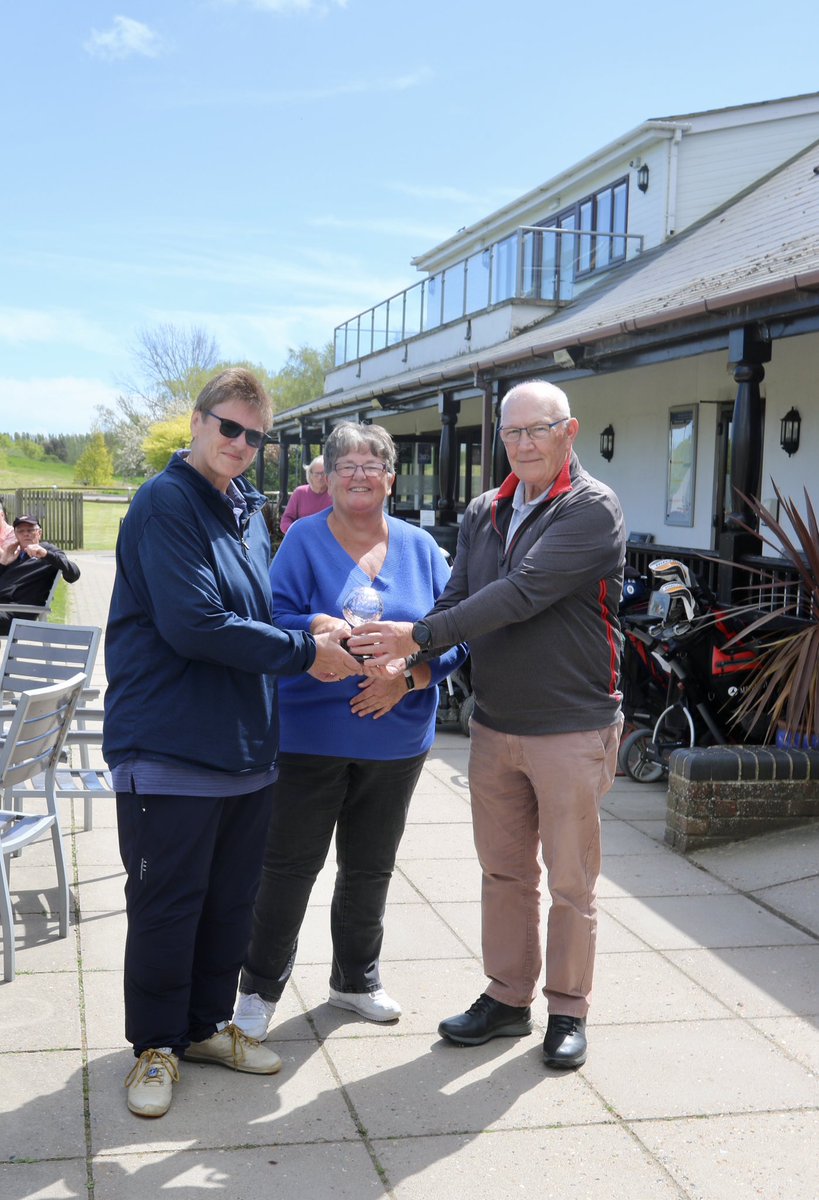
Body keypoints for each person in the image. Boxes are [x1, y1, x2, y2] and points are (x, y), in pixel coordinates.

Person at [103, 368, 361, 1120]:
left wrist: (305, 626)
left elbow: (254, 607)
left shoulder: (244, 509)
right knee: (166, 908)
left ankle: (207, 1027)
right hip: (171, 748)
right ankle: (155, 1046)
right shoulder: (165, 504)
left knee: (229, 906)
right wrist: (303, 653)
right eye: (229, 427)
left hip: (246, 752)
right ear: (197, 422)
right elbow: (194, 624)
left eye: (254, 434)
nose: (240, 444)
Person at [349, 380, 625, 1070]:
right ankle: (507, 998)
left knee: (570, 880)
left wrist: (414, 634)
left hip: (570, 725)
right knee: (503, 874)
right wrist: (411, 667)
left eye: (539, 429)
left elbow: (521, 594)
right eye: (512, 432)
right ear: (498, 439)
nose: (524, 443)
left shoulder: (591, 509)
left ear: (570, 431)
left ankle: (567, 1009)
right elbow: (459, 598)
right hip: (495, 725)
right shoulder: (483, 510)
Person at [233, 422, 467, 1041]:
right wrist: (317, 625)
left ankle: (355, 979)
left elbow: (457, 633)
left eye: (372, 465)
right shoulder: (302, 540)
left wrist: (409, 678)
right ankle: (257, 987)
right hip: (309, 736)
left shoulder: (422, 548)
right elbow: (269, 619)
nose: (360, 475)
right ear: (328, 478)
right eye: (346, 465)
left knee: (370, 867)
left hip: (397, 741)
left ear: (391, 477)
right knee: (288, 868)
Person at [0, 515, 81, 633]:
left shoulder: (47, 551)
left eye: (30, 530)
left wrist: (46, 555)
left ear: (39, 533)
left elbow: (74, 574)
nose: (26, 534)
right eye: (21, 531)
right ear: (15, 535)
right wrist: (3, 562)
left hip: (17, 614)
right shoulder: (14, 555)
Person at [279, 455, 332, 532]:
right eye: (317, 474)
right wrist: (295, 532)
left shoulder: (335, 494)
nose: (320, 477)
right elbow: (286, 520)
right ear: (310, 474)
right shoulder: (300, 492)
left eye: (323, 473)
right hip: (302, 538)